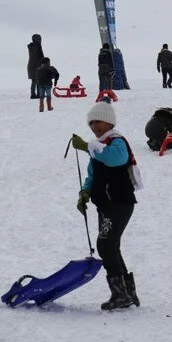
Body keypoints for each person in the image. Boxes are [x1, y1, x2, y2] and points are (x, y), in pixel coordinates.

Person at [72, 101, 139, 311]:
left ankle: (121, 295)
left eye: (98, 121)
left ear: (109, 121)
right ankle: (127, 293)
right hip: (105, 204)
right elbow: (93, 175)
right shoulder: (98, 145)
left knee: (105, 245)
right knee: (111, 246)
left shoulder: (116, 141)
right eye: (91, 123)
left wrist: (86, 146)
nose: (94, 126)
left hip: (119, 203)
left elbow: (116, 159)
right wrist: (85, 192)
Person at [27, 34, 44, 99]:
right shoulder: (38, 46)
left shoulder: (30, 46)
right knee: (38, 81)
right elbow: (41, 57)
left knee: (33, 81)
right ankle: (39, 94)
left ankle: (33, 94)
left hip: (31, 65)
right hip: (37, 65)